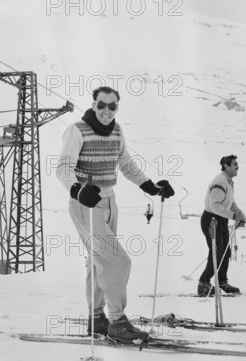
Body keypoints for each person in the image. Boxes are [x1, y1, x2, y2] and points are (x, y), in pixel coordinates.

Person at [56, 86, 175, 343]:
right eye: (102, 105)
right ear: (94, 104)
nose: (107, 111)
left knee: (99, 261)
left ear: (117, 108)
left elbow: (126, 164)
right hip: (87, 203)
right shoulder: (77, 130)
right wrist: (77, 190)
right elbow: (64, 168)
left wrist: (151, 186)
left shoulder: (117, 132)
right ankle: (118, 322)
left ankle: (96, 316)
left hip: (110, 200)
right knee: (117, 262)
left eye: (113, 106)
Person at [197, 155, 246, 297]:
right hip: (211, 221)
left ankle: (223, 282)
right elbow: (215, 205)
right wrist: (233, 216)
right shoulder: (220, 181)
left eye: (237, 163)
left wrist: (240, 215)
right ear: (226, 166)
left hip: (221, 221)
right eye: (234, 164)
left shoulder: (228, 182)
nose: (237, 166)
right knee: (216, 254)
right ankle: (203, 284)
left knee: (225, 253)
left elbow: (230, 202)